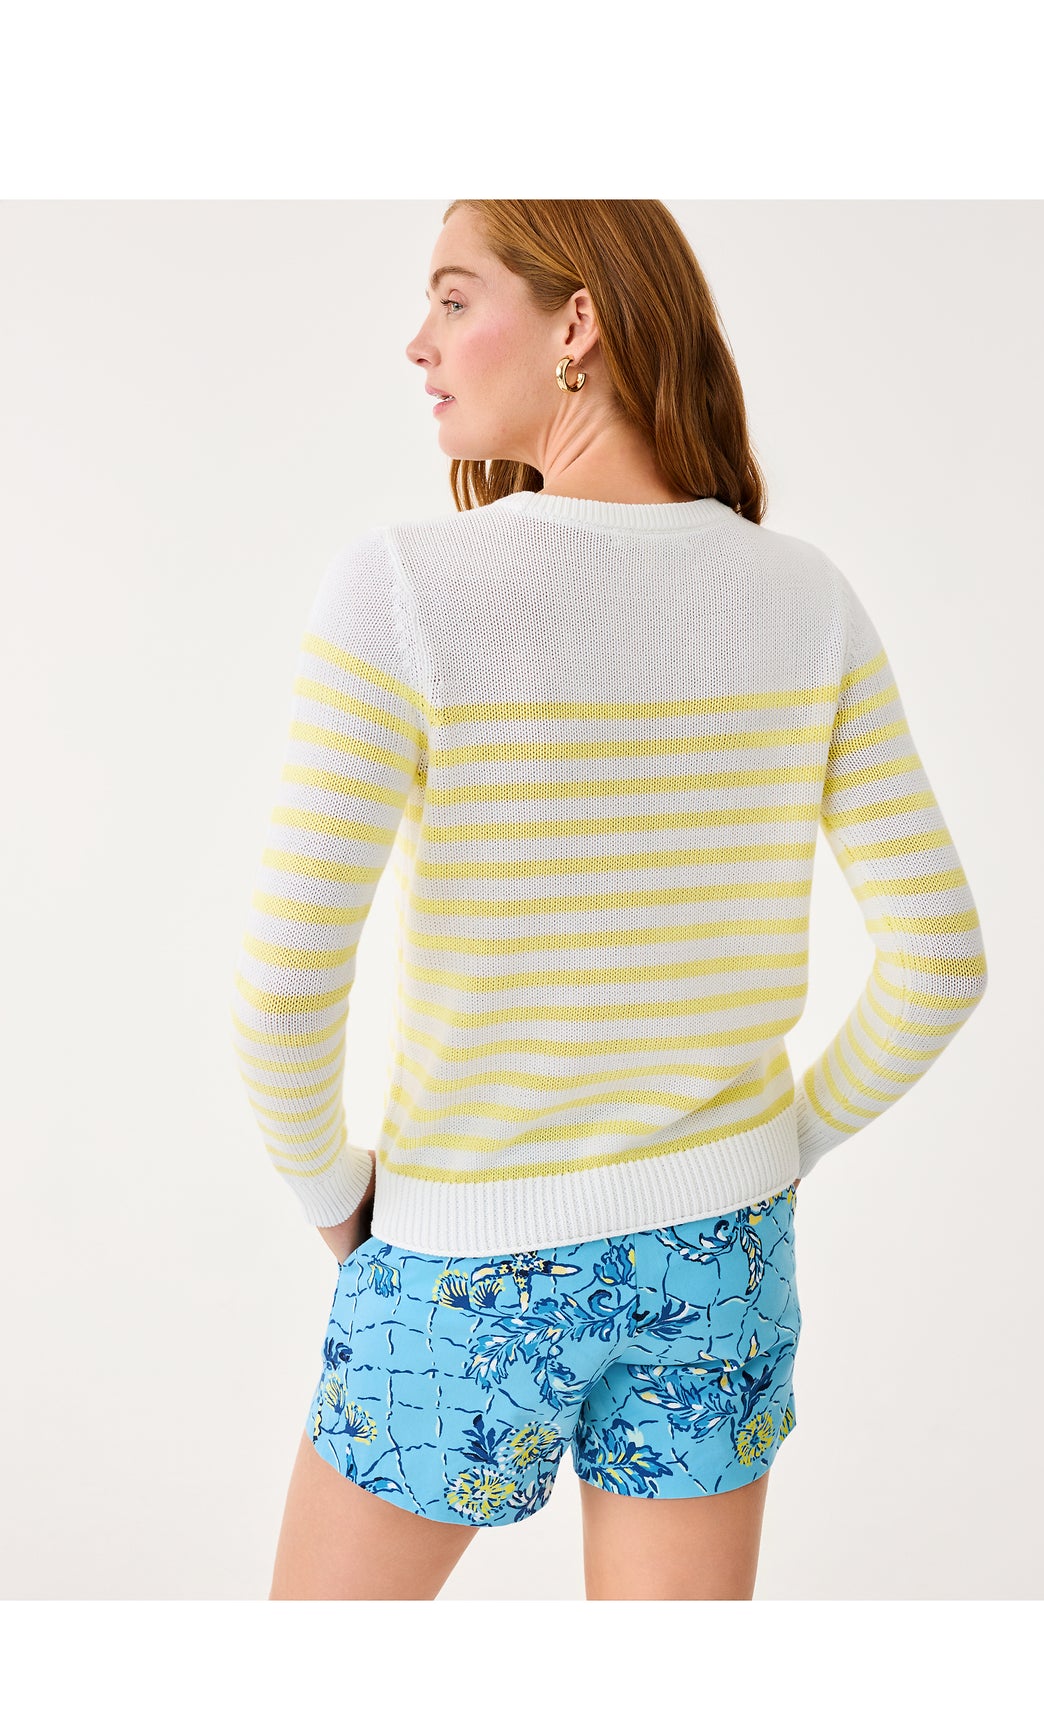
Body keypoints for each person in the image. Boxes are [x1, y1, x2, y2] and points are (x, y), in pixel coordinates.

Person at [231, 199, 989, 1601]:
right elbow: (939, 961)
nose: (417, 342)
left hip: (462, 1263)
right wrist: (765, 1150)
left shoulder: (404, 590)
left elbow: (282, 993)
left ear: (575, 320)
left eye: (454, 298)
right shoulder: (805, 598)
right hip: (723, 1260)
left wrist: (339, 1204)